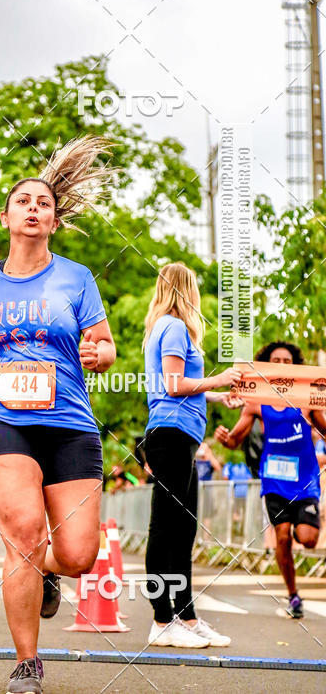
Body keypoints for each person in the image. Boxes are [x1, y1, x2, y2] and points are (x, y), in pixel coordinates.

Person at [0, 137, 117, 694]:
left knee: (77, 556)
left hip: (69, 421)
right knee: (23, 534)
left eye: (42, 203)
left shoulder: (77, 278)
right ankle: (27, 663)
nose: (33, 209)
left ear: (53, 220)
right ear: (6, 217)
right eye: (22, 201)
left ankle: (48, 572)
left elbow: (105, 345)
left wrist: (99, 354)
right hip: (3, 420)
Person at [142, 262, 241, 648]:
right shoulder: (173, 326)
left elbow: (182, 385)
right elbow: (172, 383)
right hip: (170, 434)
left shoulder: (163, 328)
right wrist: (217, 379)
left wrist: (216, 395)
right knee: (165, 526)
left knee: (183, 528)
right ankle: (161, 619)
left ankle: (186, 614)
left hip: (181, 436)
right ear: (188, 291)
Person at [215, 340, 326, 619]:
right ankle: (293, 595)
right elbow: (235, 440)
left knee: (308, 538)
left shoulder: (306, 400)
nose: (282, 365)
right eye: (276, 360)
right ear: (267, 364)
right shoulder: (255, 402)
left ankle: (304, 526)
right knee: (282, 536)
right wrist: (225, 438)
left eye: (288, 362)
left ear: (295, 367)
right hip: (274, 479)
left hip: (305, 478)